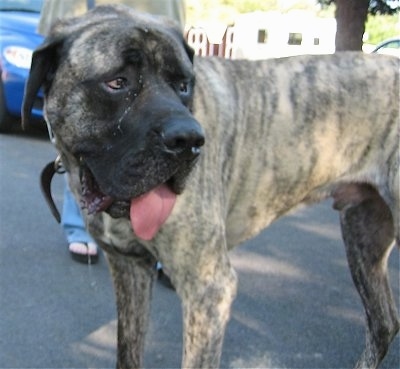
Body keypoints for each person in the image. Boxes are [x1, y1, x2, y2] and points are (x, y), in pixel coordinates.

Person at [38, 0, 185, 272]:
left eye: (183, 86)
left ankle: (162, 240)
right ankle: (79, 224)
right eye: (117, 82)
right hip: (84, 14)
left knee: (166, 136)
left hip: (154, 10)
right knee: (86, 148)